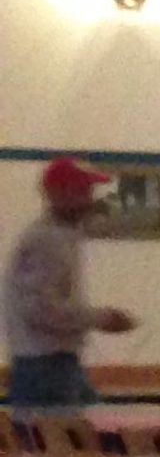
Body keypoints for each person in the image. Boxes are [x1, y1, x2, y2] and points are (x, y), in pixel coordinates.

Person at [8, 157, 134, 414]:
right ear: (56, 193)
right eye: (81, 191)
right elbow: (39, 309)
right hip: (45, 367)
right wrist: (100, 318)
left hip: (54, 364)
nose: (89, 199)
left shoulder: (63, 236)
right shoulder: (45, 240)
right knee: (60, 448)